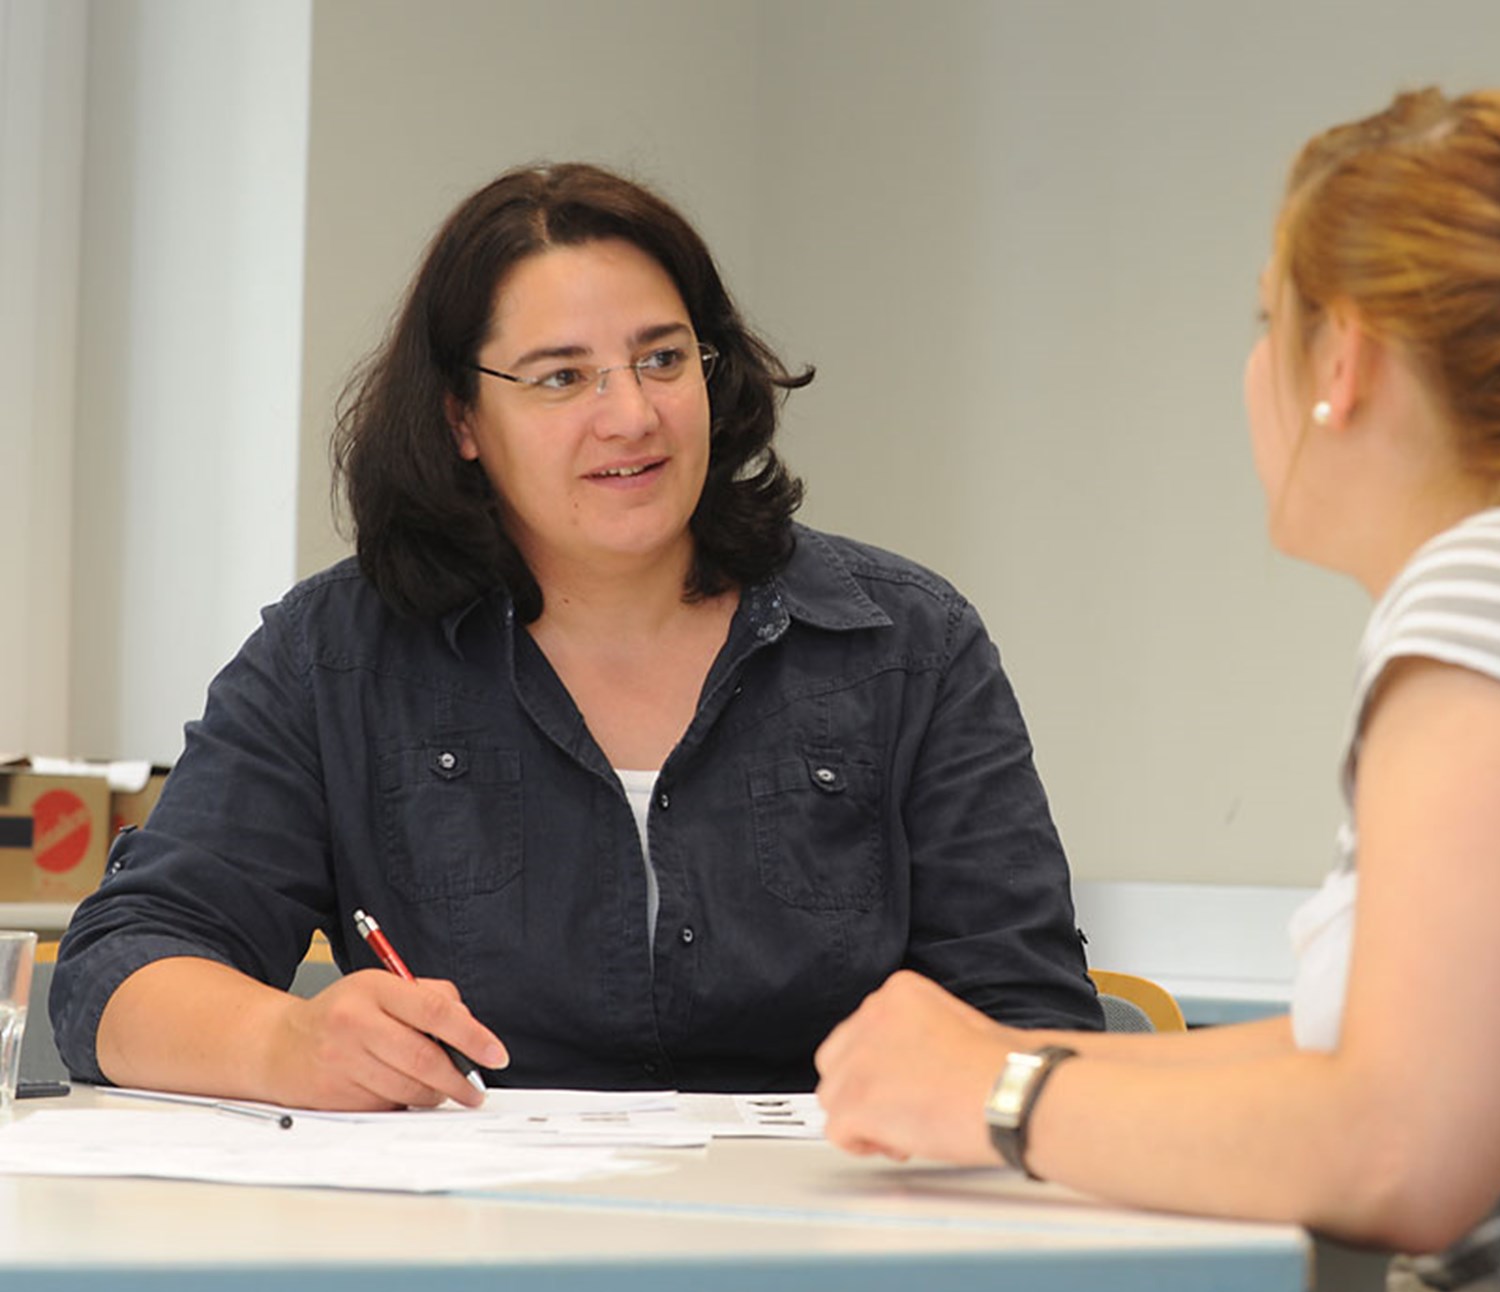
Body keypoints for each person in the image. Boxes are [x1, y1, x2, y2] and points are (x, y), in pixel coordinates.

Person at [813, 88, 1500, 1292]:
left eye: (1262, 322)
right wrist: (1002, 1052)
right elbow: (1364, 1057)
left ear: (1340, 358)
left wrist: (996, 1095)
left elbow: (1402, 1148)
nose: (1254, 371)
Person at [51, 162, 1102, 1112]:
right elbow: (118, 969)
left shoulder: (904, 642)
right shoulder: (337, 655)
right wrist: (285, 1039)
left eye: (661, 358)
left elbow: (1029, 1014)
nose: (631, 414)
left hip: (830, 1233)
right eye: (561, 377)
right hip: (469, 1242)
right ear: (463, 419)